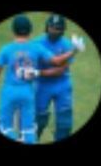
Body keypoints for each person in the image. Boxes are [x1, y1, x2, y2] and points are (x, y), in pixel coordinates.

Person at [0, 15, 61, 143]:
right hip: (28, 93)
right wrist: (74, 50)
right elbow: (56, 61)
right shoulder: (36, 47)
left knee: (4, 127)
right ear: (30, 30)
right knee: (28, 130)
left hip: (9, 92)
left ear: (13, 30)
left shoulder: (6, 49)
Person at [32, 14, 85, 142]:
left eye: (57, 28)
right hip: (42, 86)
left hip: (62, 85)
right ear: (47, 27)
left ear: (62, 30)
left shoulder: (67, 45)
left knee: (64, 122)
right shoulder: (37, 43)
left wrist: (38, 73)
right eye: (51, 26)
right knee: (39, 120)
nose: (53, 30)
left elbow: (60, 71)